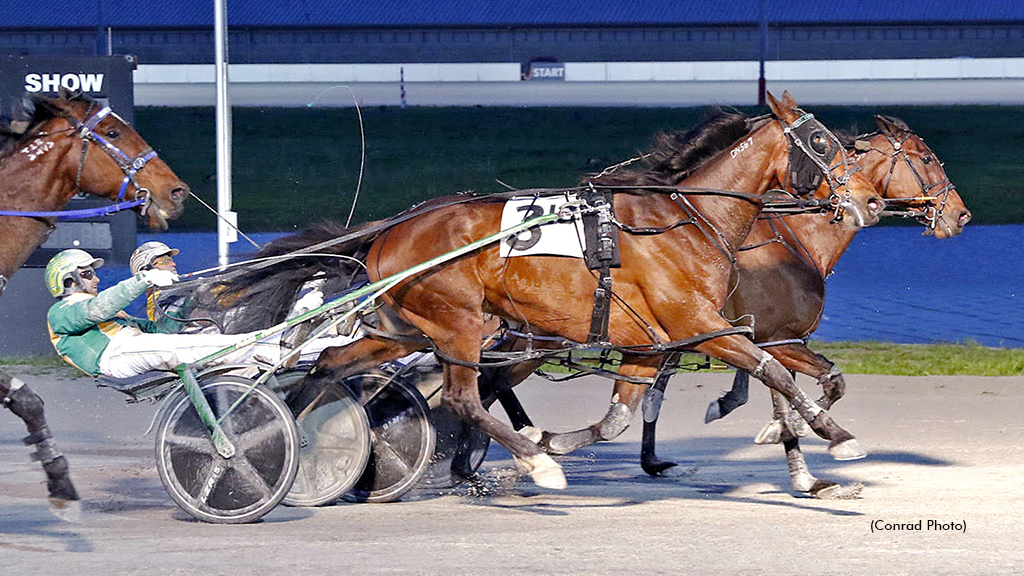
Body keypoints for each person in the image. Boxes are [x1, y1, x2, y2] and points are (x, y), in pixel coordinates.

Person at [44, 249, 286, 379]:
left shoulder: (113, 316)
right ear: (68, 281)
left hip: (131, 347)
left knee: (202, 342)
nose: (96, 278)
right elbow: (97, 309)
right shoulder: (60, 313)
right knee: (197, 347)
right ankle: (274, 350)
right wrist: (143, 279)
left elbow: (162, 331)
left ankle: (278, 345)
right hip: (113, 357)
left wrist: (191, 300)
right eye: (87, 274)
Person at [128, 241, 183, 322]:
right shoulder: (157, 299)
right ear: (146, 269)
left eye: (171, 260)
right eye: (165, 262)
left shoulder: (179, 291)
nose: (173, 264)